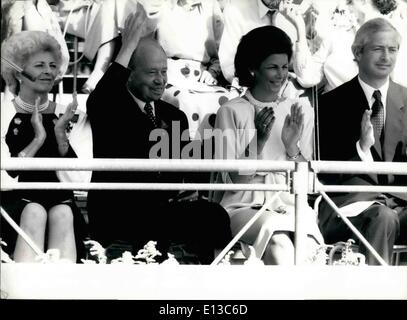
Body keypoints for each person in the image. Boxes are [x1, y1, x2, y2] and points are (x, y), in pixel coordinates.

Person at [86, 6, 231, 264]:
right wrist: (130, 42)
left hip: (160, 210)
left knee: (214, 215)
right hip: (121, 213)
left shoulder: (173, 115)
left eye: (163, 72)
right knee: (150, 221)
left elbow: (185, 162)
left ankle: (207, 281)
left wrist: (251, 141)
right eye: (152, 72)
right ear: (129, 74)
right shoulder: (110, 107)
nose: (160, 80)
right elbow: (104, 93)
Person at [211, 26, 324, 265]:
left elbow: (310, 185)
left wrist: (292, 147)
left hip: (290, 203)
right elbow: (234, 183)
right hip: (243, 204)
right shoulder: (230, 111)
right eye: (273, 67)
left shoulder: (299, 110)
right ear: (253, 69)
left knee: (310, 249)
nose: (281, 75)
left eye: (285, 67)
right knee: (280, 242)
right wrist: (258, 141)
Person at [317, 18, 407, 265]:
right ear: (357, 52)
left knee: (387, 215)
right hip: (349, 207)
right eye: (378, 49)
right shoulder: (330, 105)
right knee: (383, 217)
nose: (386, 57)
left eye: (393, 49)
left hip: (400, 202)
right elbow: (327, 173)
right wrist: (362, 148)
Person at [1, 30, 92, 262]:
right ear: (19, 73)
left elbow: (80, 180)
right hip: (14, 206)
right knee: (34, 212)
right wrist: (37, 140)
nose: (49, 71)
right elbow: (5, 180)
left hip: (63, 205)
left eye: (53, 65)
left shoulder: (73, 116)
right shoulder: (2, 114)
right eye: (39, 65)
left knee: (62, 213)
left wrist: (60, 136)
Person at [154, 0, 231, 140]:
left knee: (226, 101)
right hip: (167, 75)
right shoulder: (160, 5)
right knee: (184, 101)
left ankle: (217, 154)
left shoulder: (211, 7)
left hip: (202, 77)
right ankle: (185, 153)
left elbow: (221, 52)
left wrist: (212, 72)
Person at [293, 0, 407, 93]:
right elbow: (307, 78)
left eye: (349, 2)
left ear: (365, 3)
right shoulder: (336, 36)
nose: (342, 6)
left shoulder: (397, 37)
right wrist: (300, 28)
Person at [218, 0, 312, 101]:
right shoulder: (235, 9)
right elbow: (229, 66)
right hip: (252, 90)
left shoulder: (302, 10)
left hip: (292, 91)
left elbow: (307, 78)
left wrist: (300, 28)